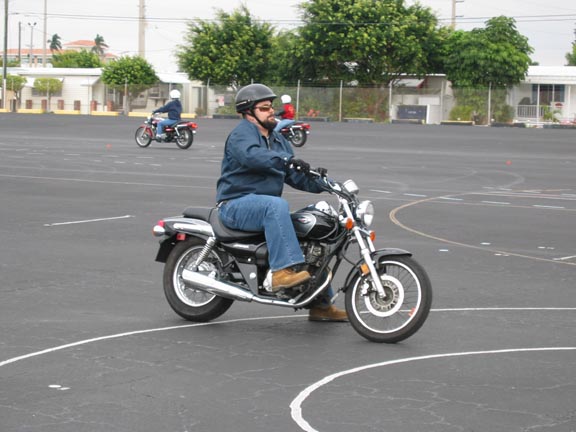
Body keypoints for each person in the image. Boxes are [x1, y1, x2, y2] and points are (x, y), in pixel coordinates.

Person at [216, 83, 347, 322]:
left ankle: (321, 305)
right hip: (235, 204)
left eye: (271, 107)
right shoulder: (242, 134)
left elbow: (294, 176)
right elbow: (253, 157)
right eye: (264, 108)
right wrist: (286, 160)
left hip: (263, 208)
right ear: (248, 112)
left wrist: (328, 184)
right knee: (276, 206)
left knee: (316, 229)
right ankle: (279, 272)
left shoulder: (277, 140)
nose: (271, 112)